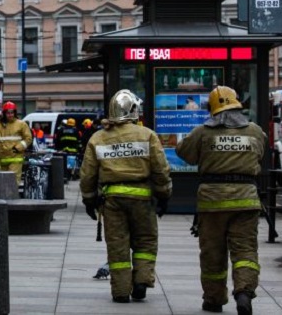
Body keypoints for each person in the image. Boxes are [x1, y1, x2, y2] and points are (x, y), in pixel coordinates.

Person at [176, 86, 266, 315]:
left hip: (212, 202)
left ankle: (214, 300)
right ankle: (244, 292)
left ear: (212, 109)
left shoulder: (203, 132)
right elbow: (261, 154)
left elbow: (183, 153)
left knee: (213, 253)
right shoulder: (255, 131)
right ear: (237, 103)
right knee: (245, 250)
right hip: (246, 200)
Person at [80, 89, 172, 304]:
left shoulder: (98, 138)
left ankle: (121, 291)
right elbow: (160, 169)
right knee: (146, 241)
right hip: (142, 200)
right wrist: (164, 195)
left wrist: (88, 199)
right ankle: (141, 281)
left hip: (112, 202)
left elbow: (88, 173)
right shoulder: (147, 135)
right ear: (132, 110)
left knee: (117, 245)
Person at [0, 101, 33, 184]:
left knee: (12, 180)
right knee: (3, 181)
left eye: (12, 112)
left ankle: (11, 196)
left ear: (15, 113)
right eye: (8, 113)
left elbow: (28, 138)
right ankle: (6, 196)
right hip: (2, 158)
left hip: (16, 157)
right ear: (4, 113)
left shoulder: (21, 124)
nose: (10, 115)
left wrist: (17, 148)